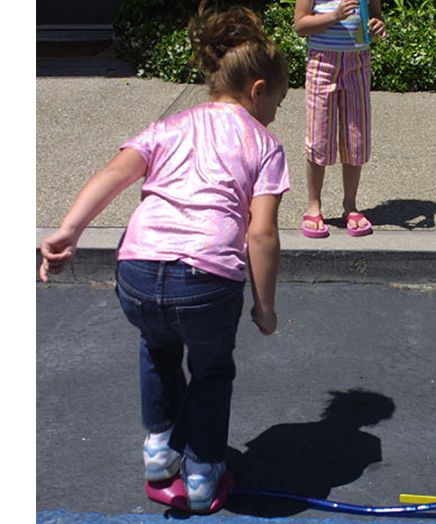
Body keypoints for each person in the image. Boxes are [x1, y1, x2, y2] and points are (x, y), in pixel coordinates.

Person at [38, 2, 290, 512]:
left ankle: (159, 449)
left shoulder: (168, 127)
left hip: (136, 268)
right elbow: (260, 236)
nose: (277, 112)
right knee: (213, 370)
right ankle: (201, 474)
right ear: (258, 90)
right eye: (279, 102)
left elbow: (113, 175)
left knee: (157, 349)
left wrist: (69, 230)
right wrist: (264, 307)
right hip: (205, 278)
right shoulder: (263, 144)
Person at [294, 0, 386, 238]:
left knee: (356, 136)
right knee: (319, 135)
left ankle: (350, 205)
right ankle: (314, 205)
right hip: (322, 63)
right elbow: (301, 25)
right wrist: (334, 16)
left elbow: (375, 16)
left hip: (358, 64)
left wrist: (378, 25)